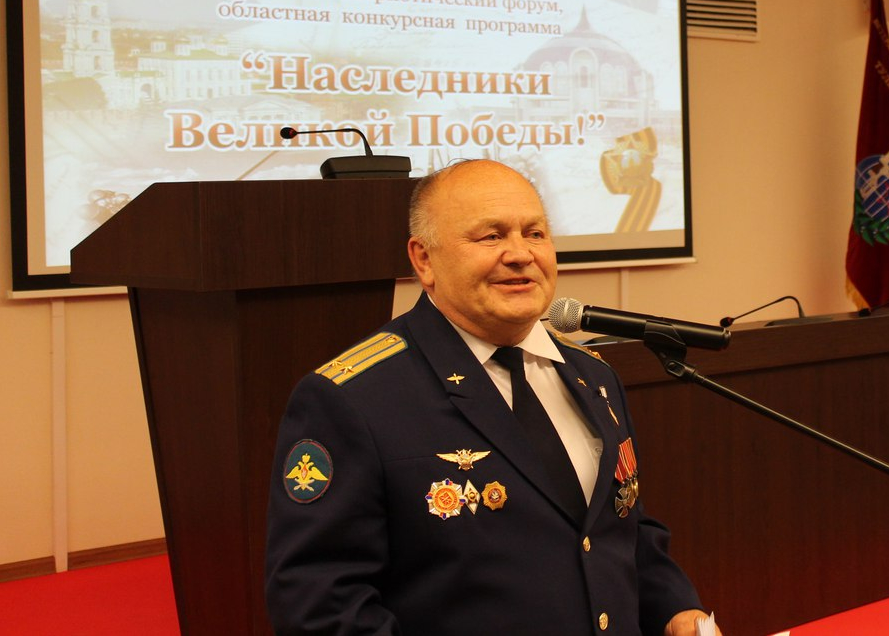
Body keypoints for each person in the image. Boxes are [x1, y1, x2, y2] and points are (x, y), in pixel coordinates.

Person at [265, 159, 718, 635]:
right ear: (424, 260)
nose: (521, 254)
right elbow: (318, 600)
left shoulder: (593, 376)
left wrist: (676, 609)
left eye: (535, 233)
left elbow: (623, 528)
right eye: (491, 236)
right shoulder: (354, 398)